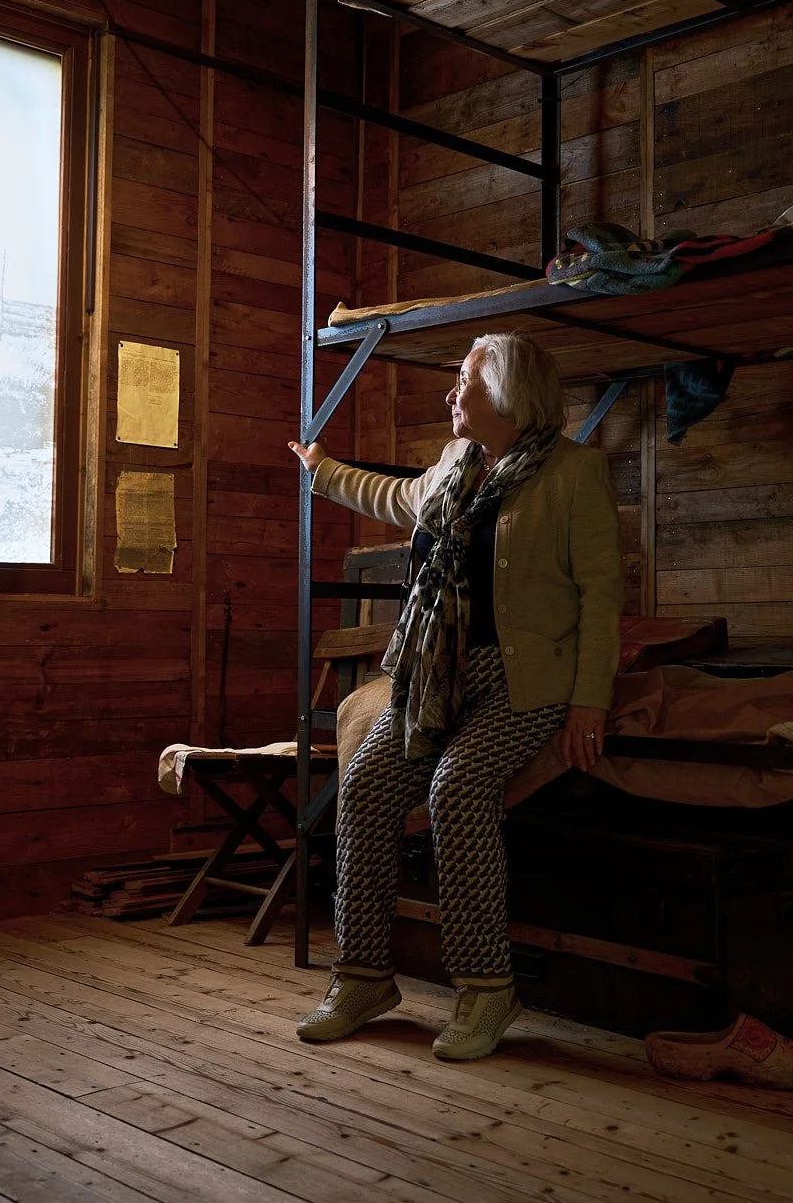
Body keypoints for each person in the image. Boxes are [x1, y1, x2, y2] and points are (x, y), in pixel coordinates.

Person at [285, 331, 622, 1060]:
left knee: (458, 786)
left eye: (464, 381)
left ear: (507, 394)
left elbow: (602, 594)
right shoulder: (453, 466)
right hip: (438, 673)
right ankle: (364, 976)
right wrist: (322, 470)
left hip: (524, 682)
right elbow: (396, 497)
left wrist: (589, 699)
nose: (451, 394)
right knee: (368, 784)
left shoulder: (573, 472)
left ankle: (487, 989)